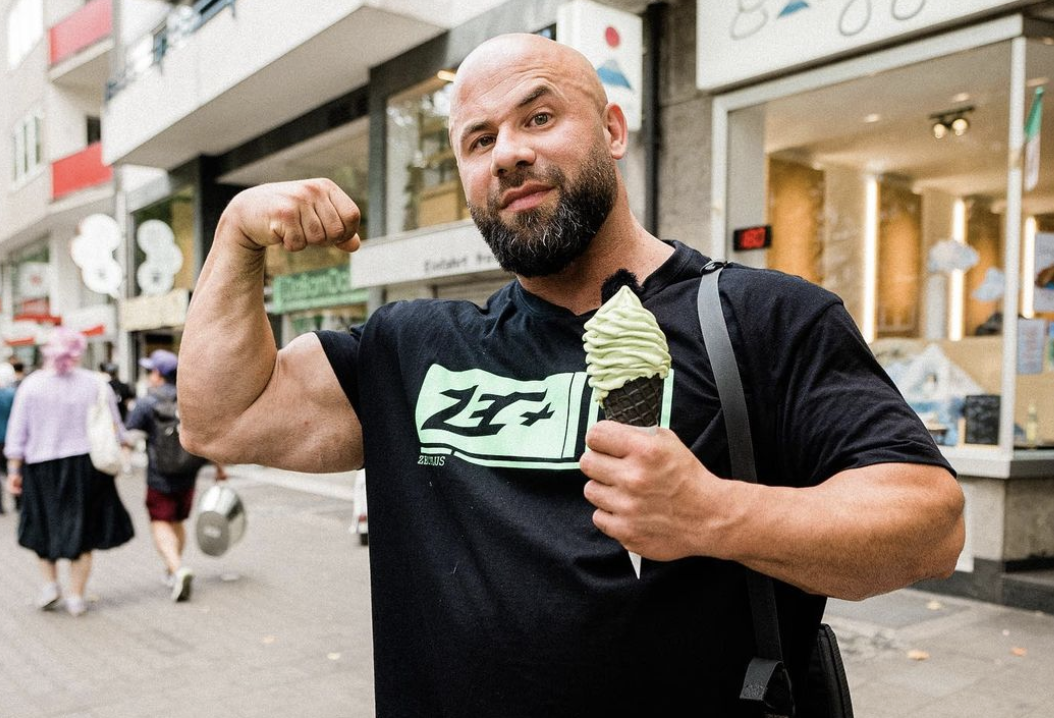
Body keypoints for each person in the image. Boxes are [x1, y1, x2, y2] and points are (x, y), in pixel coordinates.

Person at [178, 34, 965, 717]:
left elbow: (930, 527)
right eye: (478, 141)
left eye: (538, 118)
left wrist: (715, 514)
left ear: (613, 130)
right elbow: (222, 419)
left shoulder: (761, 318)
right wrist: (236, 235)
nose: (508, 153)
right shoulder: (412, 348)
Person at [4, 327, 134, 617]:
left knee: (43, 526)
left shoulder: (31, 386)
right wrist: (125, 449)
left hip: (41, 466)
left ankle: (50, 585)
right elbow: (115, 426)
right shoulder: (95, 384)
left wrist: (14, 469)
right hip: (85, 466)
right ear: (79, 352)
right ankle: (76, 596)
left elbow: (17, 431)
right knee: (84, 530)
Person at [124, 349, 208, 602]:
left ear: (158, 375)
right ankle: (173, 570)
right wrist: (220, 468)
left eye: (151, 371)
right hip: (188, 473)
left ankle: (177, 569)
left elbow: (131, 438)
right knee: (178, 521)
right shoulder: (191, 399)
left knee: (160, 522)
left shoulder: (147, 402)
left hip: (159, 477)